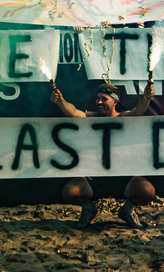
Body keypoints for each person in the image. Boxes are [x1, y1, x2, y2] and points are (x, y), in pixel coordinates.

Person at [50, 81, 156, 229]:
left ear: (115, 101)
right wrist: (61, 101)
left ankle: (127, 210)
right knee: (69, 192)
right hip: (94, 178)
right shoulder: (90, 117)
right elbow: (73, 112)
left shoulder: (123, 117)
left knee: (147, 191)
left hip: (122, 177)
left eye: (104, 99)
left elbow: (138, 110)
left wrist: (146, 97)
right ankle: (89, 209)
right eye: (97, 98)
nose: (99, 102)